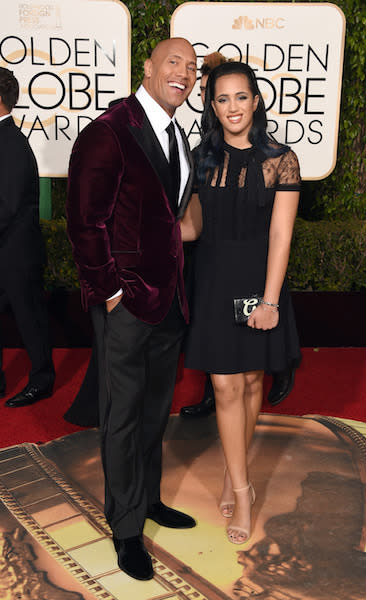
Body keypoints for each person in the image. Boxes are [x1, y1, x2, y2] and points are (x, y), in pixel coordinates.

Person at [66, 38, 197, 581]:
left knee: (152, 410)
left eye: (192, 68)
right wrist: (111, 294)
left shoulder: (176, 132)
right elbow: (84, 222)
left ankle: (146, 500)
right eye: (174, 63)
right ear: (147, 67)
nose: (184, 74)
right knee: (121, 416)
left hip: (168, 301)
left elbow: (174, 214)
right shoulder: (108, 131)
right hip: (126, 303)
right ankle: (125, 529)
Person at [180, 61, 301, 544]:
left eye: (241, 97)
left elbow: (280, 233)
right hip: (212, 282)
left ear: (256, 101)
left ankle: (233, 473)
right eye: (222, 99)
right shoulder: (200, 159)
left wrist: (270, 300)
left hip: (258, 282)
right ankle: (245, 489)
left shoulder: (280, 159)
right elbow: (191, 228)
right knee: (226, 388)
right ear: (212, 106)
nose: (233, 107)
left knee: (251, 382)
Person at [0, 67, 55, 407]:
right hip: (5, 249)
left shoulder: (12, 143)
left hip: (17, 254)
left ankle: (42, 380)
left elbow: (6, 205)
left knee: (29, 318)